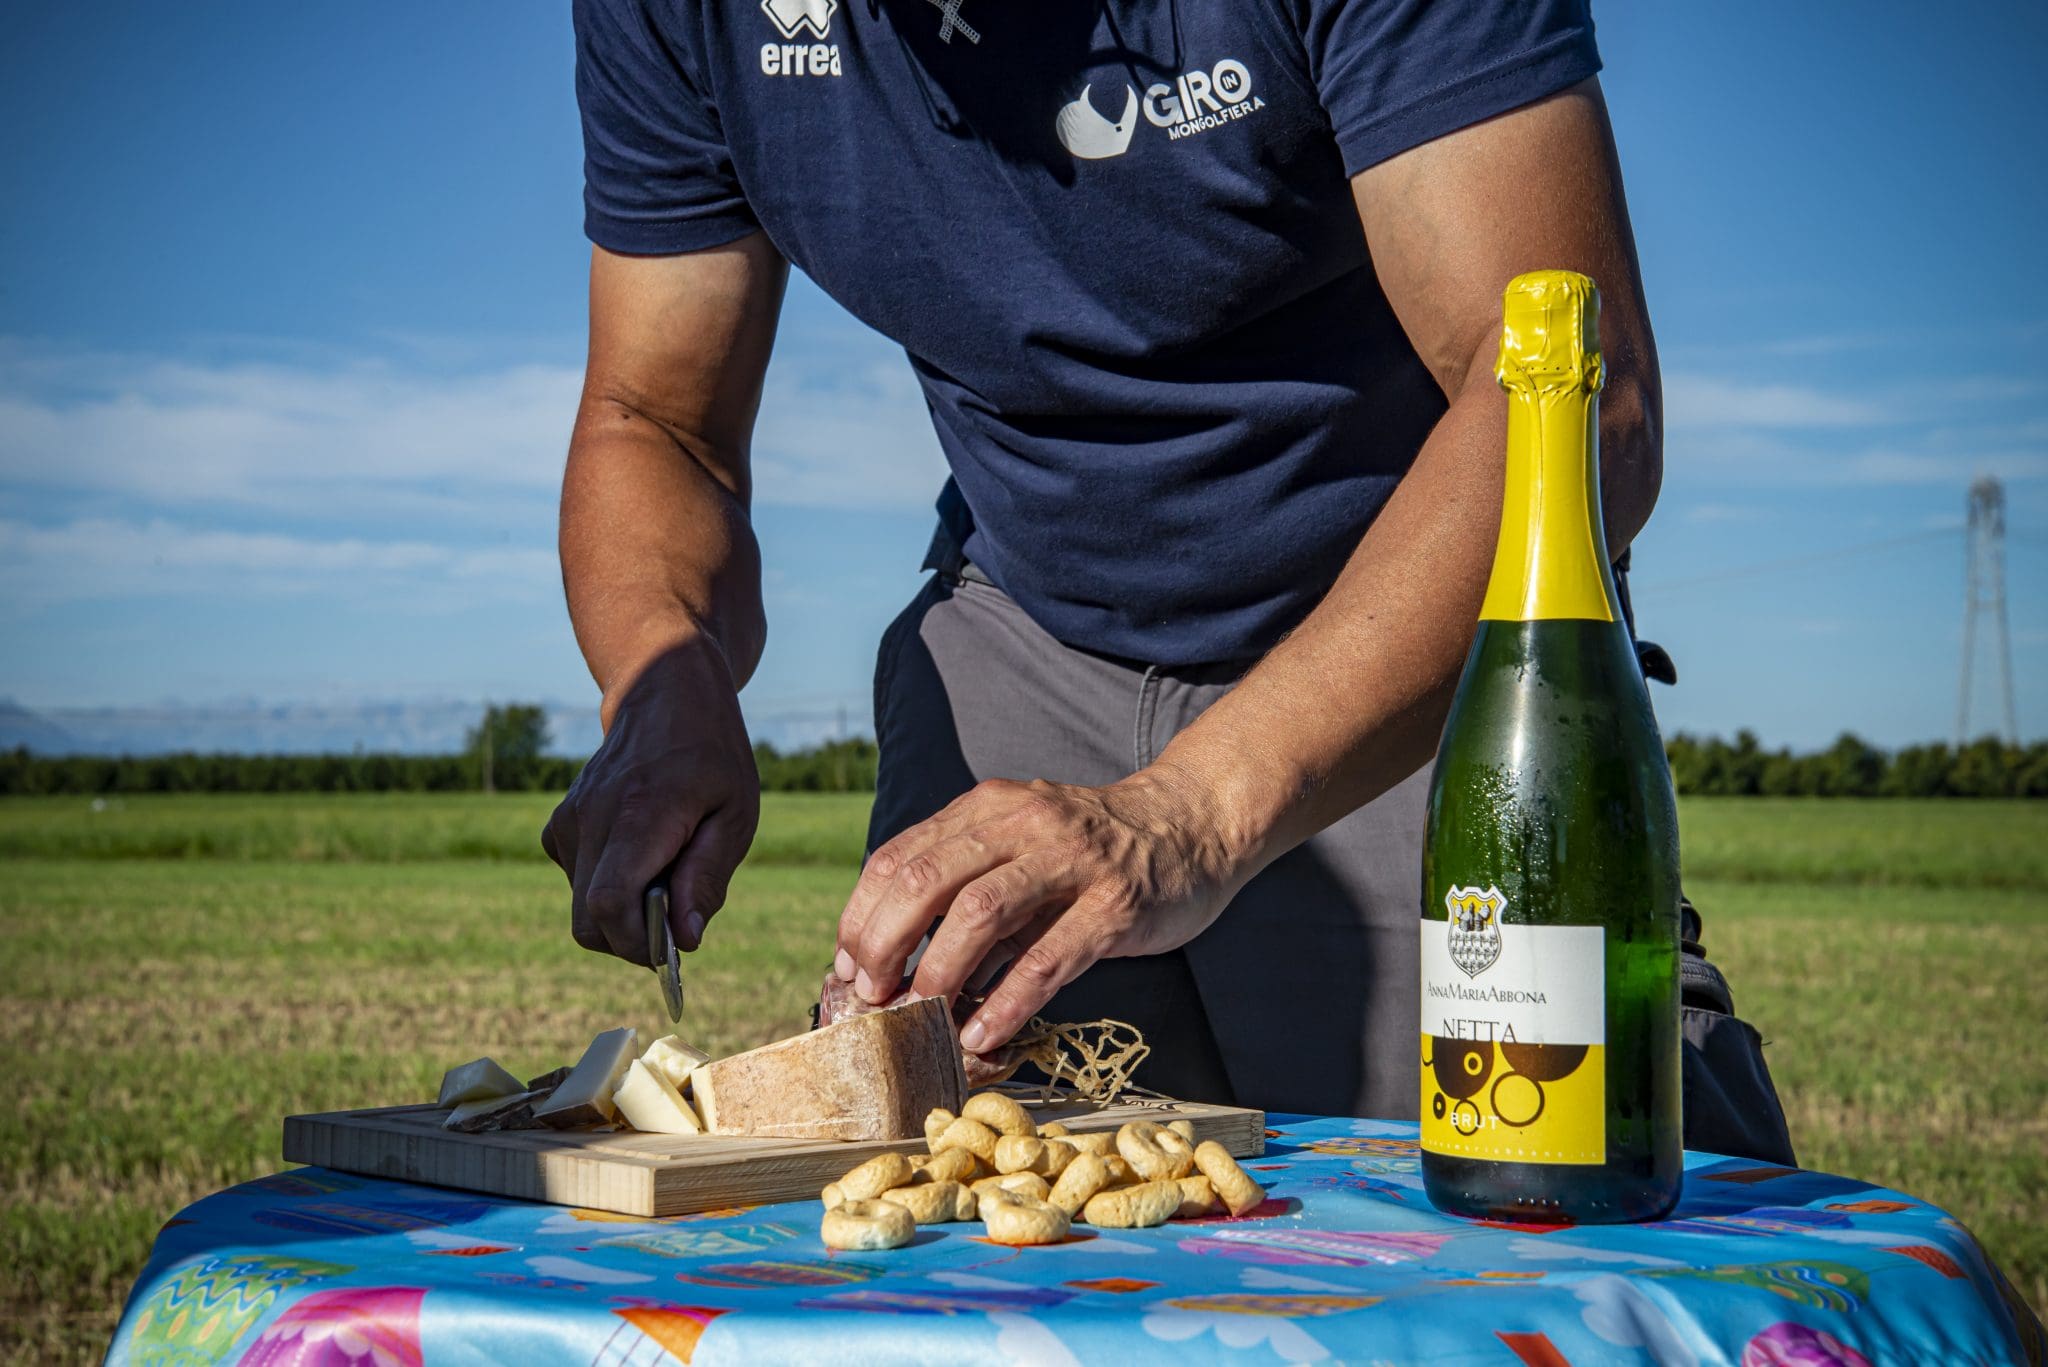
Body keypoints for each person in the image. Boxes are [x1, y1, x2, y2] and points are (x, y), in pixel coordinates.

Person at [542, 0, 1792, 1157]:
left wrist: (1188, 812)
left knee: (1577, 1178)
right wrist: (664, 671)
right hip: (1024, 619)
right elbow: (655, 416)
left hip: (1407, 640)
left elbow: (1569, 394)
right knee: (968, 1214)